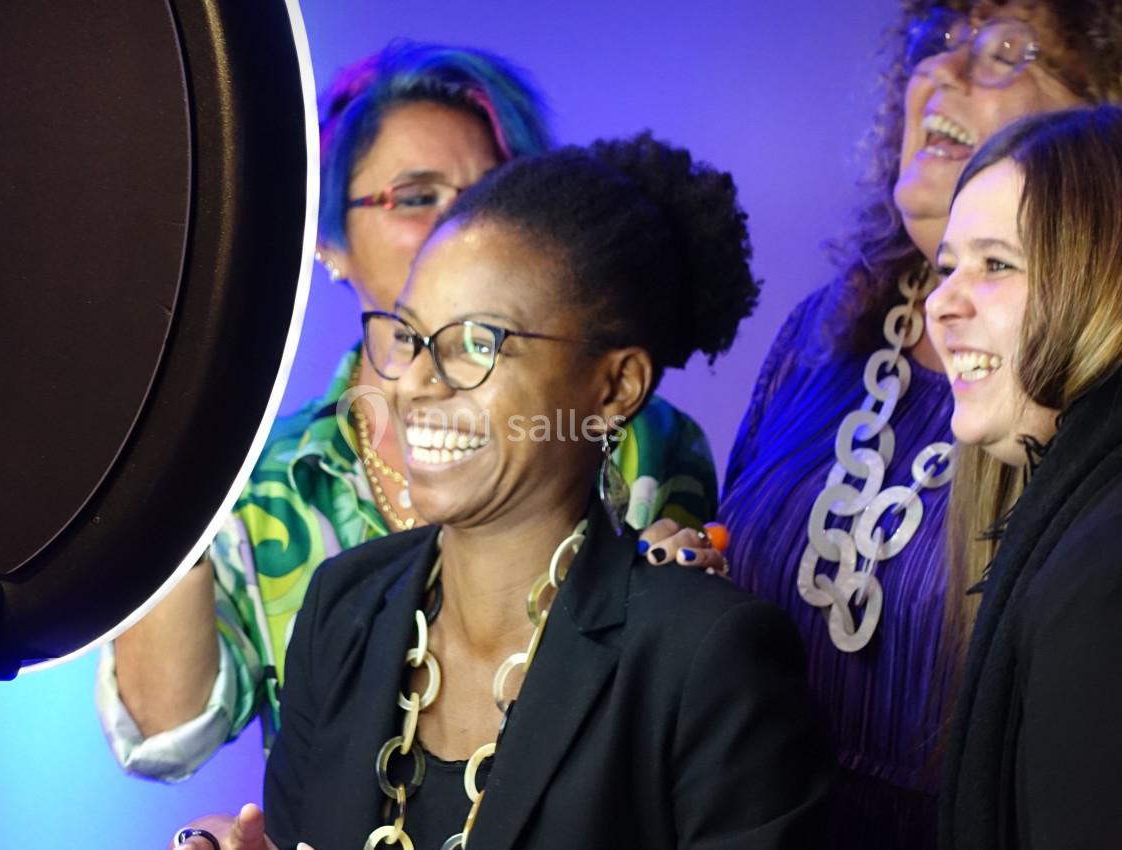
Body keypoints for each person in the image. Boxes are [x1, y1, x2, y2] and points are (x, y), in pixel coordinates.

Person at [97, 41, 725, 783]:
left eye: (495, 189)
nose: (462, 223)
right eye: (417, 195)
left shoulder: (639, 439)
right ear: (329, 238)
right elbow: (167, 736)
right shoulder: (260, 479)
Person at [185, 133, 831, 850]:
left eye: (477, 344)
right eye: (409, 336)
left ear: (616, 386)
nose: (418, 384)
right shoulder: (344, 605)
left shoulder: (706, 658)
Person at [719, 2, 1120, 845]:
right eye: (935, 40)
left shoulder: (1086, 414)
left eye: (1011, 48)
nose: (943, 70)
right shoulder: (820, 330)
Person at [927, 104, 1122, 850]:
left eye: (996, 264)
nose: (941, 301)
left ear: (1104, 281)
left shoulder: (1102, 574)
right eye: (946, 267)